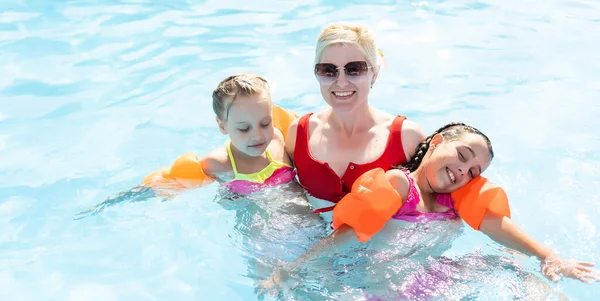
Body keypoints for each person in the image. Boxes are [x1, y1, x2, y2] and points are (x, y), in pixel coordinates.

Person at [259, 122, 599, 295]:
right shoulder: (399, 185)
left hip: (428, 281)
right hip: (376, 288)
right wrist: (292, 270)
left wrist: (549, 257)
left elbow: (498, 227)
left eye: (473, 173)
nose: (462, 172)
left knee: (514, 265)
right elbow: (348, 236)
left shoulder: (455, 201)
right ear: (436, 143)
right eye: (462, 157)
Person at [285, 22, 427, 223]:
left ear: (374, 74)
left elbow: (435, 210)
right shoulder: (300, 134)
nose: (341, 82)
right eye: (328, 70)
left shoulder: (408, 139)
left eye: (355, 69)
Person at [143, 73, 299, 195]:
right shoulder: (218, 164)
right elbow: (170, 182)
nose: (257, 135)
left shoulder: (278, 140)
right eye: (244, 128)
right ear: (222, 126)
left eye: (265, 123)